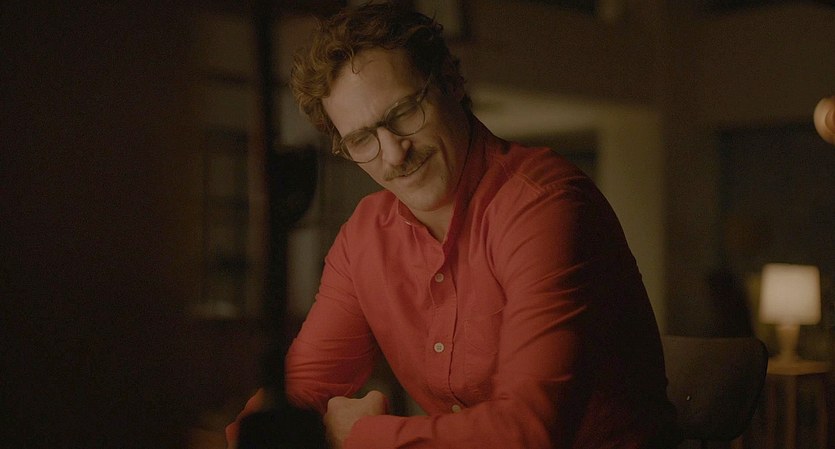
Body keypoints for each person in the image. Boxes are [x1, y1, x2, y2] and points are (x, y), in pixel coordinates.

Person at [227, 3, 676, 448]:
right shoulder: (364, 236)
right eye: (362, 139)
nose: (393, 154)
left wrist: (362, 435)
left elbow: (529, 430)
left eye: (404, 113)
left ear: (451, 82)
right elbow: (301, 388)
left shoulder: (544, 205)